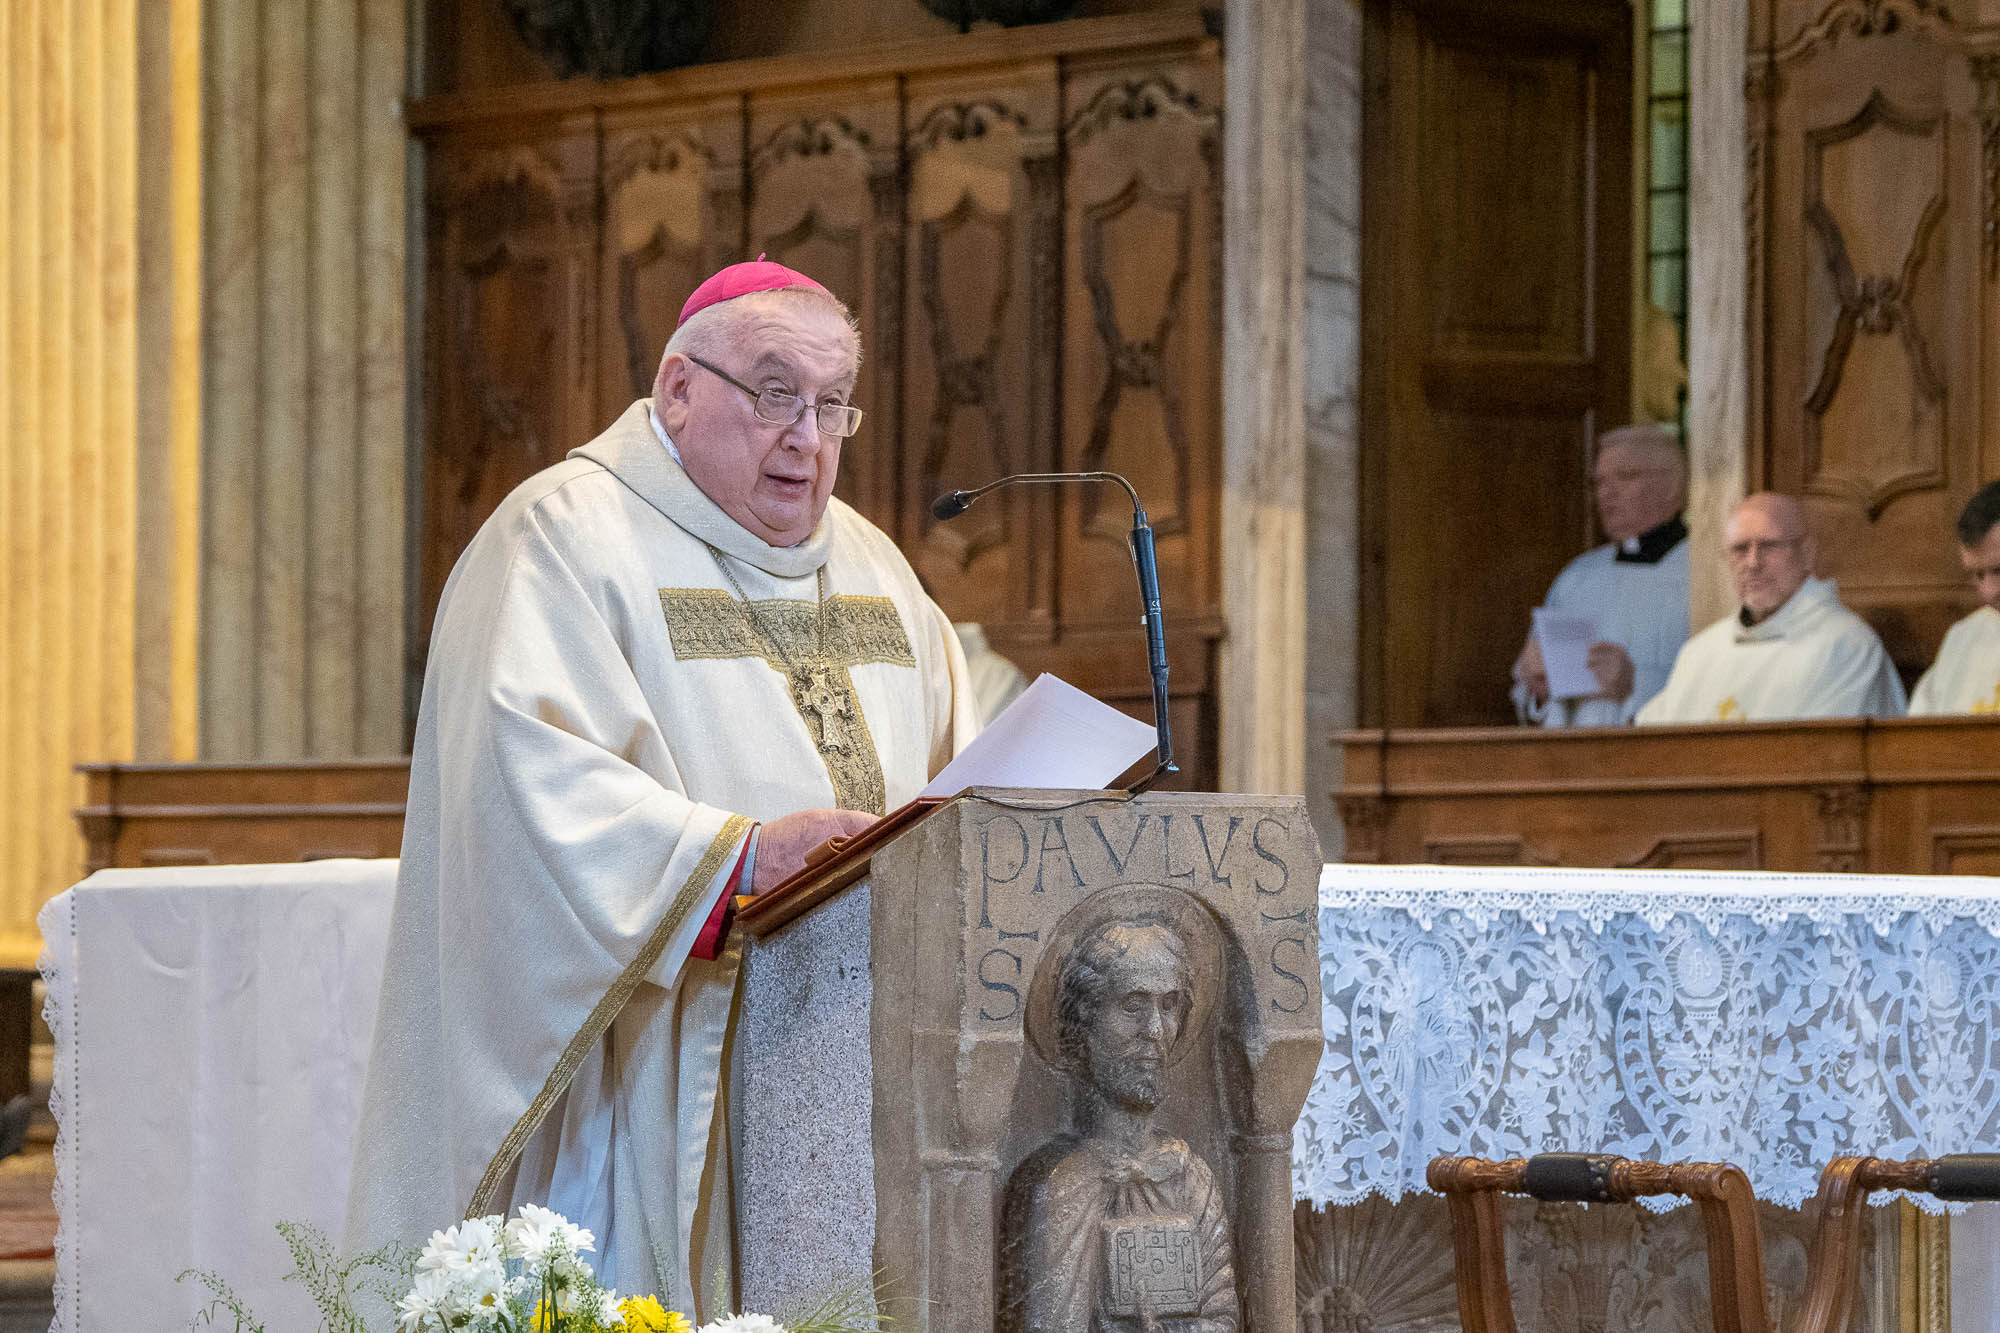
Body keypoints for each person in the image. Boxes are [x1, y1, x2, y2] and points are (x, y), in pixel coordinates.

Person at [344, 260, 980, 1306]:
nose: (805, 437)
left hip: (868, 1066)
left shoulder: (875, 568)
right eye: (773, 393)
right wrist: (733, 857)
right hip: (658, 1073)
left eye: (830, 405)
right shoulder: (561, 538)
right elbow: (522, 786)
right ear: (678, 388)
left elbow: (960, 779)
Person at [999, 919, 1236, 1333]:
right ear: (1085, 1022)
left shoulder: (1192, 1180)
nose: (1156, 1031)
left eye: (1169, 1005)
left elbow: (1223, 1315)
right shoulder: (1055, 1187)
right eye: (1132, 1005)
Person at [1638, 492, 1905, 723]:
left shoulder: (1846, 646)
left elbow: (1832, 760)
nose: (1753, 562)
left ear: (1807, 554)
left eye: (1769, 546)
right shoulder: (1699, 652)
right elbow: (1657, 745)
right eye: (1740, 549)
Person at [1511, 423, 1691, 726]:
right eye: (1599, 482)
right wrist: (1537, 690)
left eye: (1625, 477)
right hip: (1572, 764)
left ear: (1673, 486)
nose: (1607, 493)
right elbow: (1529, 699)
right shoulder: (1576, 578)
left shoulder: (1705, 574)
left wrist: (1633, 690)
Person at [1910, 480, 2000, 715]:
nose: (1989, 591)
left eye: (1999, 571)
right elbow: (1917, 741)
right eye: (1976, 574)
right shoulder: (1963, 640)